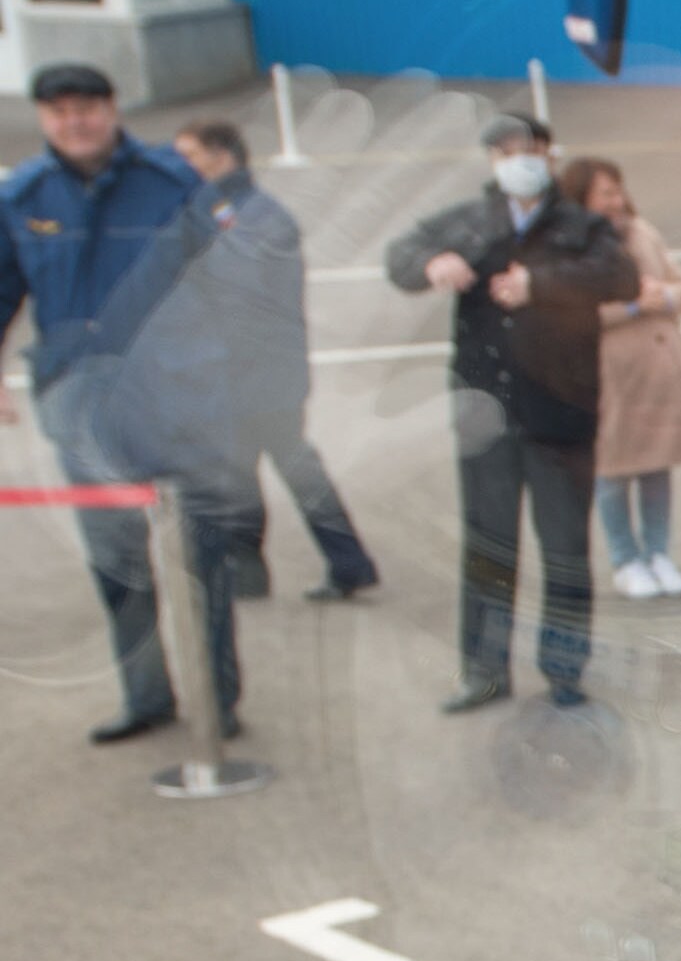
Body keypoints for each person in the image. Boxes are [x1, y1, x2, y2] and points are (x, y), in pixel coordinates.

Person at [0, 62, 246, 743]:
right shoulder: (22, 196)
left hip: (180, 398)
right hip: (81, 410)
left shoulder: (173, 182)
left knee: (203, 556)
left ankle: (217, 697)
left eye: (86, 107)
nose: (73, 122)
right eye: (58, 111)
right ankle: (146, 697)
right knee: (117, 562)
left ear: (112, 109)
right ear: (43, 118)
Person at [383, 113, 634, 712]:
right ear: (492, 160)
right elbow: (400, 254)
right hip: (486, 414)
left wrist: (540, 284)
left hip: (561, 414)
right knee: (489, 546)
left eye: (529, 149)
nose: (517, 159)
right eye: (504, 150)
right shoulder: (470, 220)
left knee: (565, 548)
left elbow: (621, 276)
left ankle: (565, 668)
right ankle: (483, 670)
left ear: (549, 155)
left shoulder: (582, 225)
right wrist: (429, 266)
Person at [165, 118, 379, 604]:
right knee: (249, 469)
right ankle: (263, 570)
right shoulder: (220, 209)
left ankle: (339, 564)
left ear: (221, 156)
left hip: (261, 372)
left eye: (188, 155)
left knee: (284, 468)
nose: (180, 167)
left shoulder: (254, 215)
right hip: (247, 369)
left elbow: (237, 292)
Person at [559, 156, 681, 601]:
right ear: (582, 198)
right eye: (605, 193)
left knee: (657, 467)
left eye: (618, 191)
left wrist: (667, 297)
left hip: (659, 373)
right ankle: (625, 559)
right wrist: (635, 306)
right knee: (613, 473)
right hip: (611, 378)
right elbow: (572, 315)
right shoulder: (571, 249)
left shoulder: (643, 232)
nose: (616, 201)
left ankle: (659, 553)